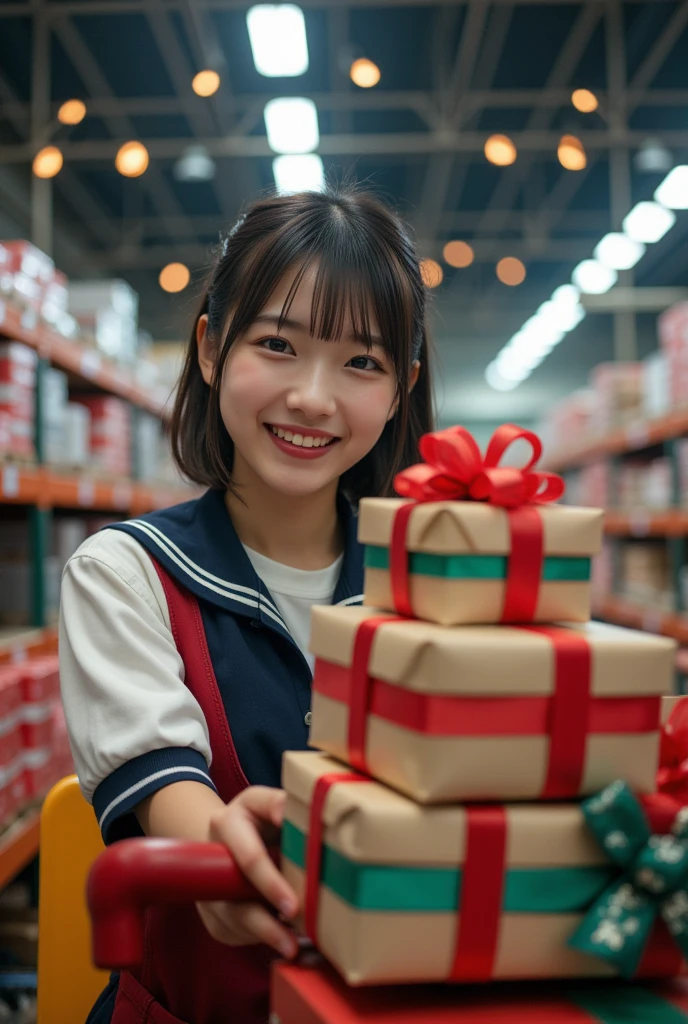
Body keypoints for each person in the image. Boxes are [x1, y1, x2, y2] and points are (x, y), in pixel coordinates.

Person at [59, 183, 435, 1024]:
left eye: (362, 363)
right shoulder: (126, 574)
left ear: (402, 386)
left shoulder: (431, 588)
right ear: (210, 347)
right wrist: (218, 860)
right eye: (277, 344)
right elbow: (164, 786)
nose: (312, 396)